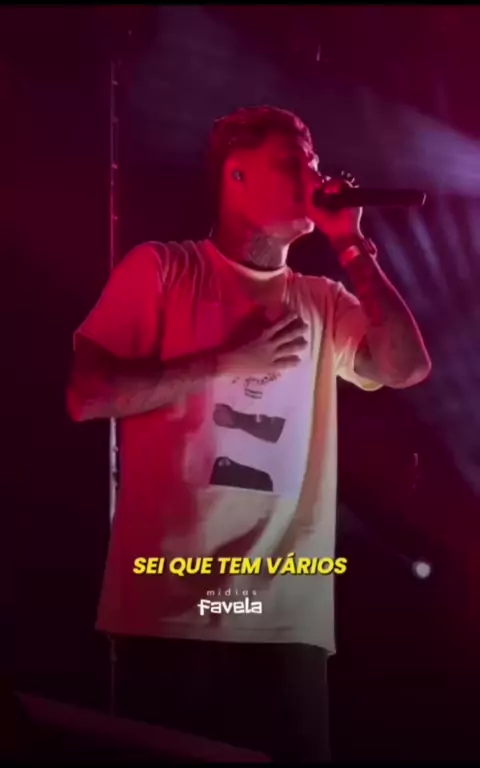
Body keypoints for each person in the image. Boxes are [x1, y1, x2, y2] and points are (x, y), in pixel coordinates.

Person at [67, 105, 431, 762]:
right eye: (293, 163)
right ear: (235, 176)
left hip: (282, 621)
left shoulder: (321, 300)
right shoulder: (162, 271)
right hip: (167, 614)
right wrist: (226, 363)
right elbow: (87, 395)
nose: (313, 176)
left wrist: (353, 246)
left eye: (315, 162)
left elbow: (405, 367)